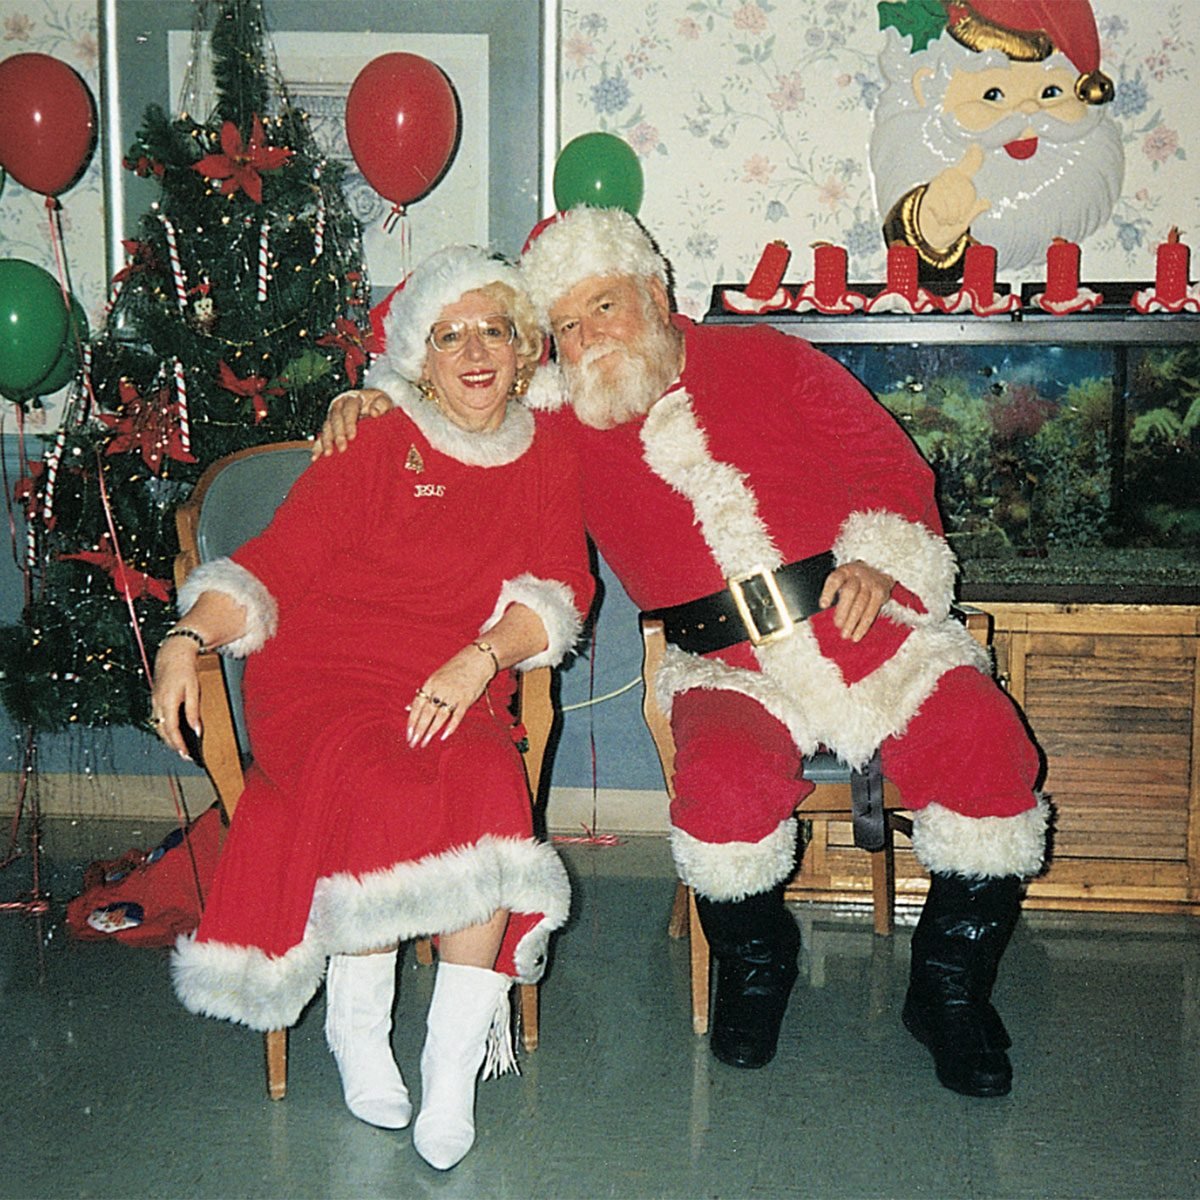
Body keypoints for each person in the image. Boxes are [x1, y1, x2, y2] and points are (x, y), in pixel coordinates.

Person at [318, 206, 1047, 1100]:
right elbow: (465, 410)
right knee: (722, 787)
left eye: (606, 307)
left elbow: (887, 465)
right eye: (570, 324)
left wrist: (876, 558)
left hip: (871, 632)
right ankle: (757, 966)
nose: (590, 338)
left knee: (984, 743)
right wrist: (371, 396)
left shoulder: (765, 358)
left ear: (655, 295)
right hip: (725, 668)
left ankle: (948, 991)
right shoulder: (560, 418)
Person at [151, 245, 594, 1170]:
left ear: (522, 349)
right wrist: (188, 637)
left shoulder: (549, 451)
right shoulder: (375, 436)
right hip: (326, 679)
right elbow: (275, 565)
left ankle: (449, 1064)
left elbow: (560, 586)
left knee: (484, 780)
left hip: (450, 678)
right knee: (374, 776)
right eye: (448, 335)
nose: (474, 351)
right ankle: (359, 1031)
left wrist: (480, 660)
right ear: (418, 359)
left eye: (493, 330)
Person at [871, 0, 1120, 279]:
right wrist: (928, 228)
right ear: (926, 87)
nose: (1028, 112)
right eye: (993, 95)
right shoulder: (914, 150)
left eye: (1051, 92)